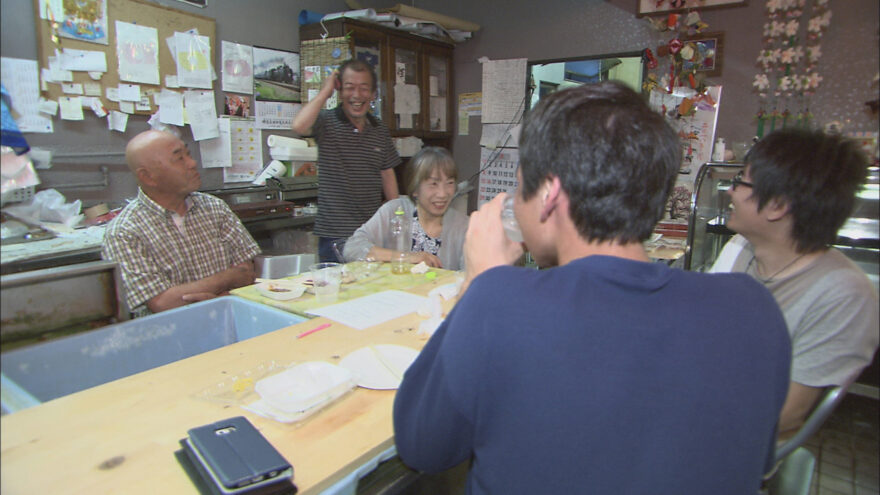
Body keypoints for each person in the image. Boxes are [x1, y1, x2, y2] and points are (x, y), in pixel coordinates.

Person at [393, 82, 792, 494]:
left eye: (518, 185)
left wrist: (477, 281)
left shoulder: (499, 301)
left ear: (548, 194)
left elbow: (422, 446)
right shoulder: (754, 308)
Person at [710, 128, 879, 439]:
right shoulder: (738, 247)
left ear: (777, 205)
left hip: (741, 447)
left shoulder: (845, 295)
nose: (730, 192)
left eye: (741, 182)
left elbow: (785, 415)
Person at [102, 130, 259, 316]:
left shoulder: (214, 207)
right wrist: (227, 281)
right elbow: (162, 303)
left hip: (229, 319)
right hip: (171, 334)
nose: (192, 164)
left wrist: (217, 300)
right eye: (179, 159)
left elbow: (246, 273)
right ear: (147, 177)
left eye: (188, 154)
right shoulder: (124, 232)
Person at [292, 59, 401, 263]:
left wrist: (395, 218)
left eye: (364, 88)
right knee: (337, 292)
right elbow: (299, 126)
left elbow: (387, 173)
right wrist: (325, 91)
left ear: (373, 93)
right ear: (340, 91)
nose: (357, 95)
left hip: (370, 234)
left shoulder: (380, 130)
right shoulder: (326, 122)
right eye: (350, 88)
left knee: (371, 291)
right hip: (334, 234)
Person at [343, 147, 468, 270]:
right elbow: (352, 248)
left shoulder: (464, 226)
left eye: (450, 183)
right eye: (433, 184)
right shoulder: (393, 211)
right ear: (414, 189)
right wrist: (405, 257)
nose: (442, 194)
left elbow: (473, 277)